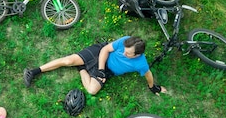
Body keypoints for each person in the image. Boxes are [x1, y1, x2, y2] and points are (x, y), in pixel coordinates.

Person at [23, 36, 166, 95]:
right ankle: (34, 71)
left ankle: (82, 68)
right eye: (125, 50)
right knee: (68, 61)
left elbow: (148, 74)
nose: (124, 54)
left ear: (137, 55)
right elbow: (105, 49)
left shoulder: (141, 63)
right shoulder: (125, 41)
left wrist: (153, 87)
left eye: (128, 54)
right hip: (99, 54)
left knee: (92, 90)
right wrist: (100, 70)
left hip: (108, 71)